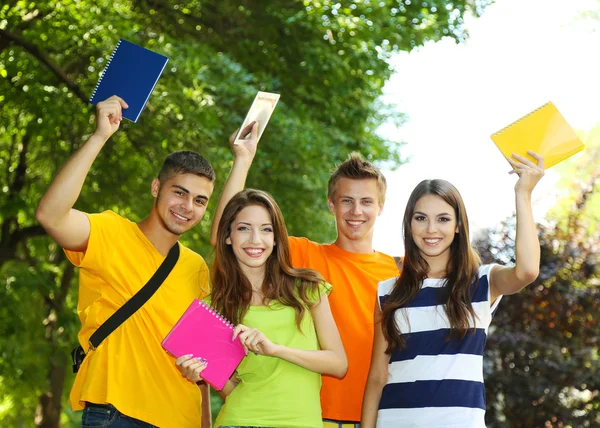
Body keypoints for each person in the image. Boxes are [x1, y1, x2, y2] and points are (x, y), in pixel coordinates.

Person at [35, 96, 215, 428]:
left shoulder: (197, 268)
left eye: (200, 200)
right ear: (156, 187)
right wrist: (99, 136)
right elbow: (51, 215)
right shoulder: (111, 231)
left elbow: (201, 365)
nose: (188, 207)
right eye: (180, 192)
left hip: (182, 419)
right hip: (117, 414)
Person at [208, 124, 400, 427]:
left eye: (366, 202)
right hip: (308, 416)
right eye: (347, 200)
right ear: (331, 204)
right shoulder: (305, 257)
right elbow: (226, 234)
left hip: (375, 418)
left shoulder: (399, 273)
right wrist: (243, 159)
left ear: (381, 208)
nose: (356, 211)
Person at [361, 152, 545, 427]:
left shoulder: (483, 282)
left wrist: (523, 193)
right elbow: (377, 376)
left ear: (458, 225)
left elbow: (527, 271)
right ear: (409, 224)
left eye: (443, 219)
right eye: (421, 218)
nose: (431, 229)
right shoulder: (388, 292)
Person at [177, 188, 348, 427]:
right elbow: (230, 390)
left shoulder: (308, 288)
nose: (255, 240)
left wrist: (275, 349)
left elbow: (339, 364)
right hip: (239, 420)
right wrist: (197, 373)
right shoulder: (213, 307)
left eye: (266, 229)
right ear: (228, 236)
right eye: (243, 228)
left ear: (277, 237)